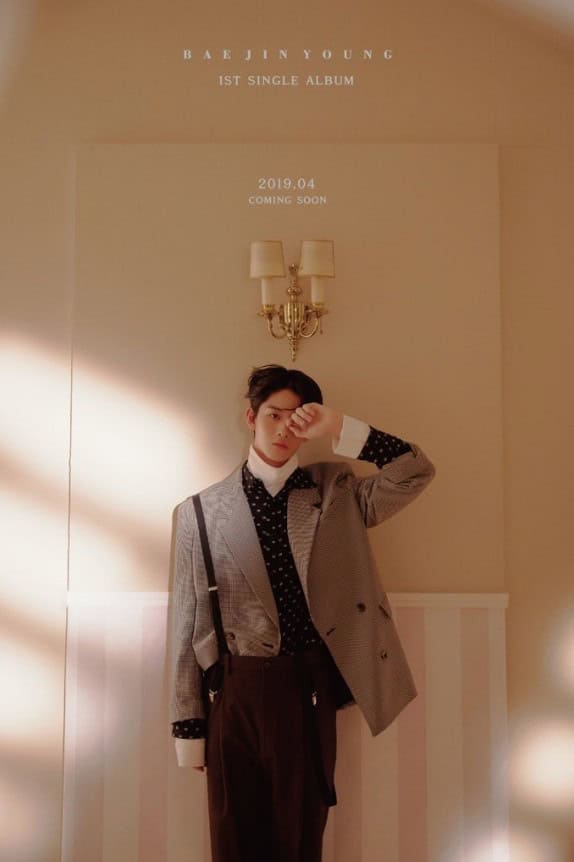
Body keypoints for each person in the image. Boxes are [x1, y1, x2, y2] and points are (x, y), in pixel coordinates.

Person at [168, 364, 436, 862]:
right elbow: (186, 626)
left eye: (297, 419)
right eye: (274, 415)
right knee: (233, 840)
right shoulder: (199, 513)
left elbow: (415, 470)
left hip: (307, 687)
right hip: (233, 692)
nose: (284, 429)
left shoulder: (335, 491)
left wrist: (339, 426)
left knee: (300, 835)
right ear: (251, 417)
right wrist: (189, 726)